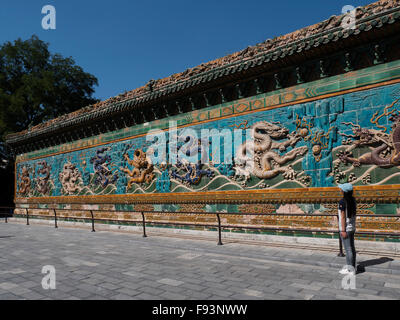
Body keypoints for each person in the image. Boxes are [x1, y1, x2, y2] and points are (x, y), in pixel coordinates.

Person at [337, 183, 357, 275]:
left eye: (341, 189)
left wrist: (343, 230)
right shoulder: (353, 200)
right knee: (352, 249)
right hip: (352, 227)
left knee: (348, 249)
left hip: (346, 228)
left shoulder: (342, 202)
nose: (340, 190)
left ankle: (350, 269)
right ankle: (352, 268)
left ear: (344, 191)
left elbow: (343, 217)